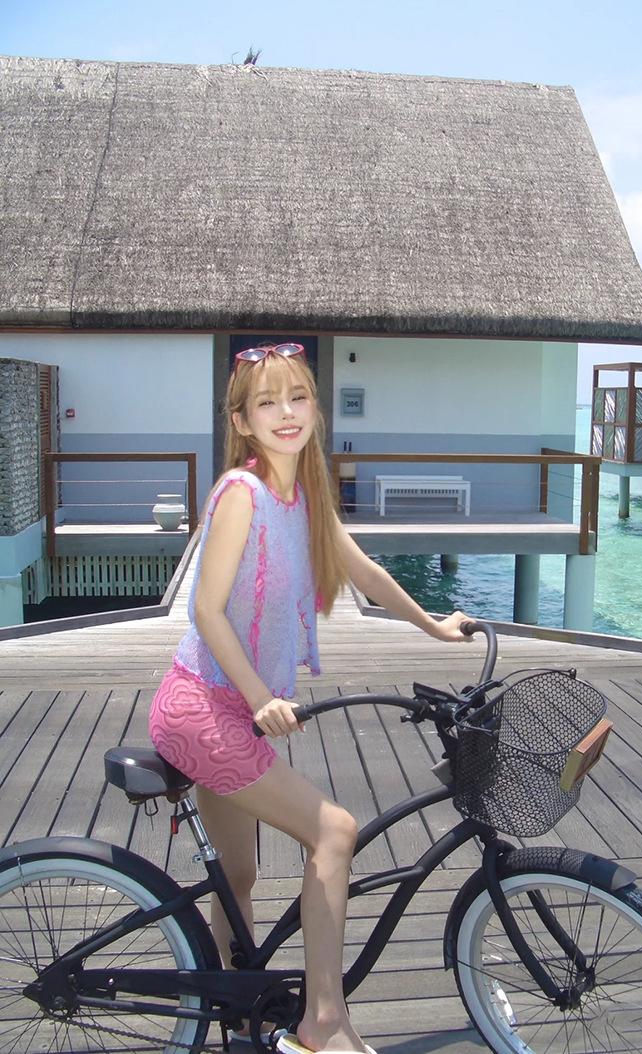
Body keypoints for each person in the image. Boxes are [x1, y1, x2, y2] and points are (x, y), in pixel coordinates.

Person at [148, 343, 472, 1054]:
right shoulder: (242, 493)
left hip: (229, 709)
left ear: (316, 407)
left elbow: (364, 571)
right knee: (334, 832)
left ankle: (233, 1012)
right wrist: (260, 696)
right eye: (267, 402)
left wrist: (432, 625)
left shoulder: (305, 497)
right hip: (203, 707)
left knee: (239, 876)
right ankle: (323, 1024)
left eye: (297, 396)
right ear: (242, 421)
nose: (286, 412)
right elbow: (205, 610)